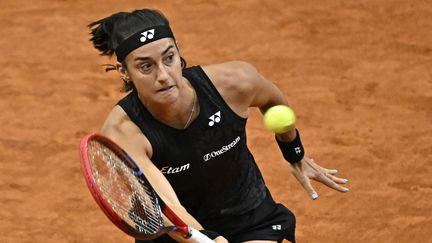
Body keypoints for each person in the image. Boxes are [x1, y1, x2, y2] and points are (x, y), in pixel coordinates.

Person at [88, 8, 349, 243]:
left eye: (169, 58)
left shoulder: (234, 82)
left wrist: (294, 152)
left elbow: (274, 102)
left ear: (178, 51)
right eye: (146, 66)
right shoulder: (124, 132)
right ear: (124, 72)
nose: (164, 76)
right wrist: (208, 240)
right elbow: (165, 206)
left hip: (250, 218)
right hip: (177, 231)